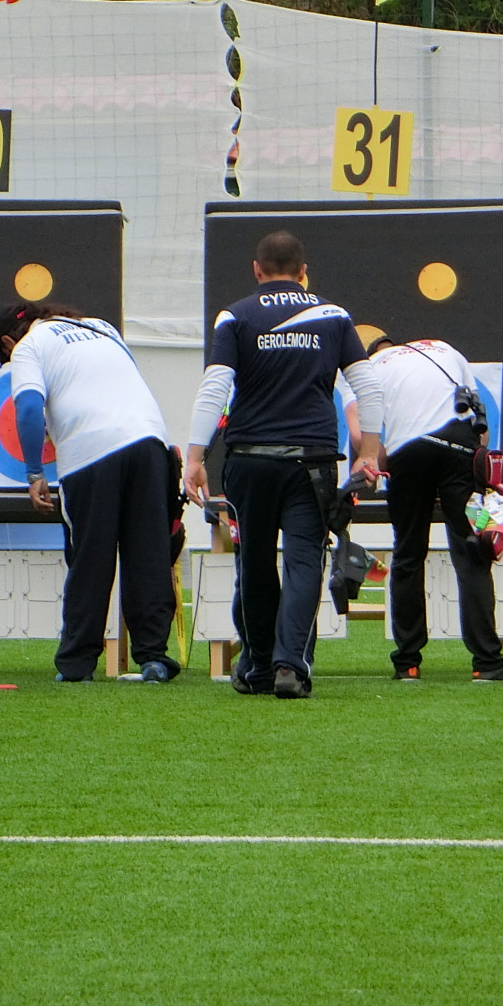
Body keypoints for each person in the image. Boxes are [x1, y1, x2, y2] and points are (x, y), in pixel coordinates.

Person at [184, 230, 384, 700]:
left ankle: (256, 667)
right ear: (303, 271)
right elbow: (369, 388)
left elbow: (215, 388)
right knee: (303, 562)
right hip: (312, 461)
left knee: (254, 563)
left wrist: (194, 457)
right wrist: (369, 453)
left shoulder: (235, 315)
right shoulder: (334, 316)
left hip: (249, 460)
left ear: (257, 270)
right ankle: (290, 666)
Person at [0, 301, 181, 684]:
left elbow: (29, 409)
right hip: (149, 441)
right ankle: (153, 657)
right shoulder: (101, 326)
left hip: (90, 452)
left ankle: (77, 664)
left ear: (8, 341)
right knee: (149, 552)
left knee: (90, 556)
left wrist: (34, 472)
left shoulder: (28, 346)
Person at [364, 333, 503, 683]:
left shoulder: (369, 367)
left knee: (408, 553)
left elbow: (370, 441)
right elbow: (480, 424)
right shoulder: (442, 348)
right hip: (459, 448)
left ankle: (407, 662)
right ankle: (487, 662)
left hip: (407, 452)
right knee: (472, 552)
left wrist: (382, 474)